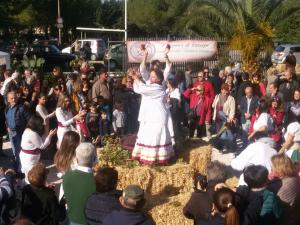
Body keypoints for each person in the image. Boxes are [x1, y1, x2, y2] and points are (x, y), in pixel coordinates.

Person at [131, 68, 174, 164]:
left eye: (153, 76)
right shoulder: (151, 87)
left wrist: (135, 77)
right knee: (150, 136)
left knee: (156, 136)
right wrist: (135, 78)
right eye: (150, 75)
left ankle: (157, 159)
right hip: (152, 115)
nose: (150, 77)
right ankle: (153, 158)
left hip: (158, 116)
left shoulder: (157, 87)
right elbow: (138, 90)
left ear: (159, 79)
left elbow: (142, 88)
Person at [63, 142, 97, 225]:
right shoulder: (97, 181)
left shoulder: (67, 176)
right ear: (94, 159)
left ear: (76, 159)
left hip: (73, 219)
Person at [20, 115, 56, 182]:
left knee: (29, 174)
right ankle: (31, 188)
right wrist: (50, 136)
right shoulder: (32, 133)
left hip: (27, 156)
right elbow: (42, 146)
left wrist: (48, 135)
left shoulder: (28, 130)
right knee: (31, 175)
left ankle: (27, 186)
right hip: (29, 158)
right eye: (41, 124)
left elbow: (38, 140)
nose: (42, 125)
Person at [268, 154, 300, 225]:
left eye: (273, 166)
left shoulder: (285, 185)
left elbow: (276, 208)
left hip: (286, 219)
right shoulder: (293, 174)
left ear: (279, 168)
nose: (271, 168)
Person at [5, 91, 31, 170]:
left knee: (19, 151)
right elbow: (6, 119)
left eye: (15, 98)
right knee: (14, 151)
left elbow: (30, 119)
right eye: (11, 98)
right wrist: (7, 127)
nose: (14, 100)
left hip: (19, 132)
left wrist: (26, 130)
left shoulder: (21, 108)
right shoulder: (7, 108)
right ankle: (16, 168)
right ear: (8, 100)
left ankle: (20, 169)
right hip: (11, 132)